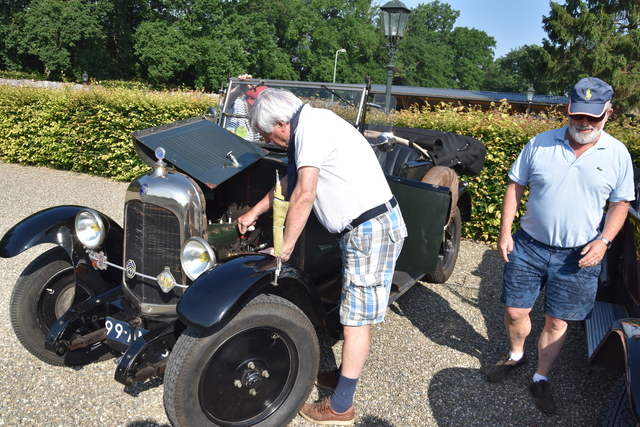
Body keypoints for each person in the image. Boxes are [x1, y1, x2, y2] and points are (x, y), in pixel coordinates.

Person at [237, 88, 407, 425]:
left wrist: (283, 248)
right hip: (362, 230)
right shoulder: (311, 124)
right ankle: (344, 374)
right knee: (351, 311)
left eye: (267, 134)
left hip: (370, 231)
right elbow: (290, 180)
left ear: (282, 123)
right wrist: (255, 211)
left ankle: (341, 405)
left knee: (355, 322)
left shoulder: (312, 130)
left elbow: (304, 193)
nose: (269, 140)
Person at [486, 77, 635, 413]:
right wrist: (504, 232)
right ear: (567, 109)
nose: (583, 123)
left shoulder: (617, 154)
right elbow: (515, 187)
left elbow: (620, 204)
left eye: (593, 118)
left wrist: (604, 241)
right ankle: (515, 356)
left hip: (580, 254)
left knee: (557, 320)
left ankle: (540, 378)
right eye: (577, 115)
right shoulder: (539, 143)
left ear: (608, 114)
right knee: (514, 310)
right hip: (529, 246)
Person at [222, 73, 267, 141]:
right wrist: (240, 88)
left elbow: (259, 141)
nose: (255, 107)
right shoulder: (235, 105)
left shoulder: (262, 115)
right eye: (253, 103)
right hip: (226, 144)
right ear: (246, 98)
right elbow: (223, 104)